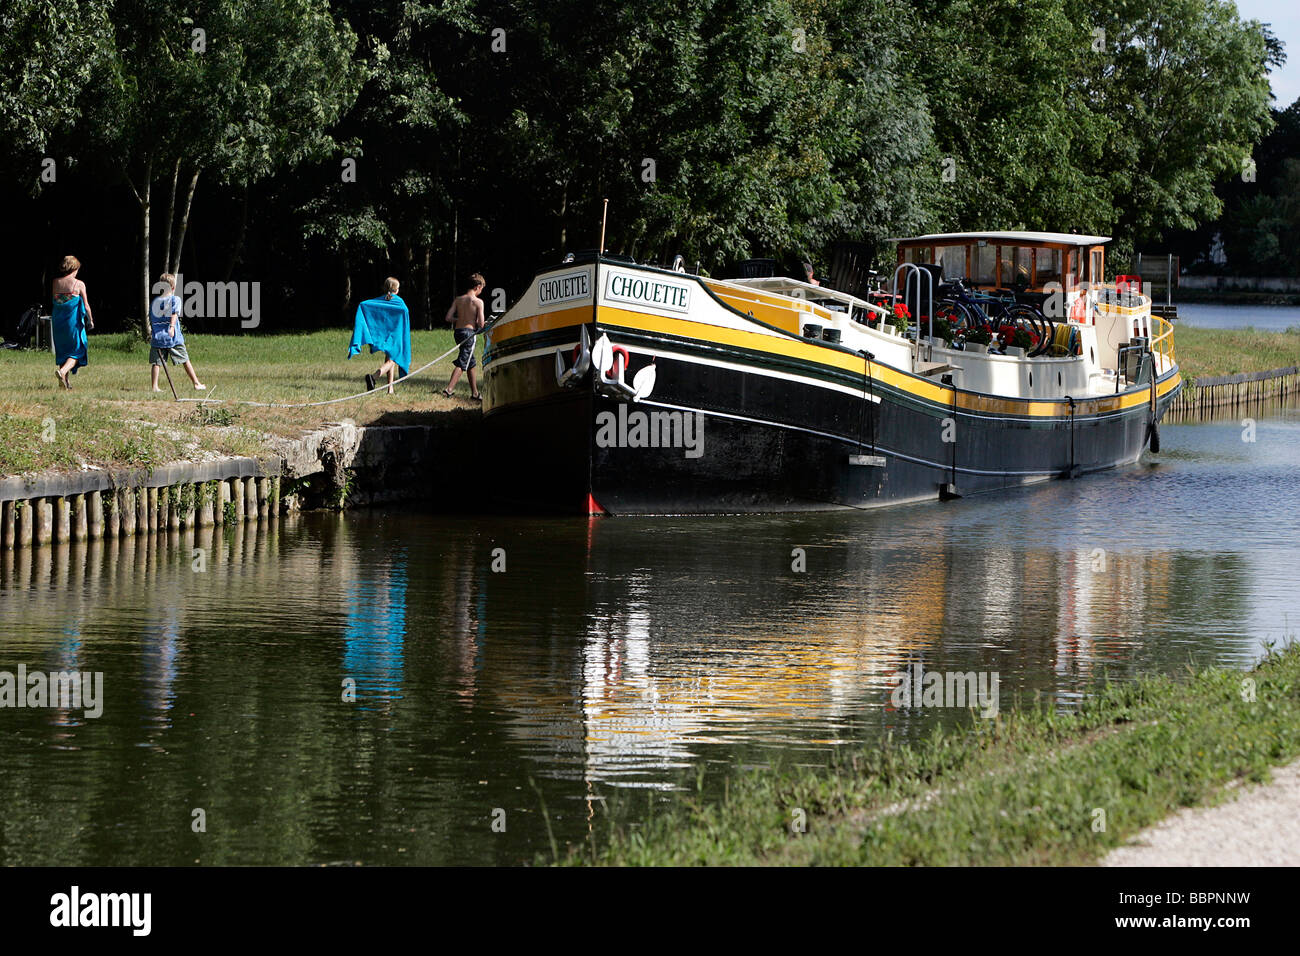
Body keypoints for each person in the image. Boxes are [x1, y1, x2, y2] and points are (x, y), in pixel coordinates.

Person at [349, 277, 411, 395]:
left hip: (385, 336)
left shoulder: (381, 300)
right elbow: (404, 312)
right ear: (396, 290)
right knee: (395, 358)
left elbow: (366, 305)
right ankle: (374, 376)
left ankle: (390, 389)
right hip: (394, 335)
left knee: (389, 358)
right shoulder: (399, 302)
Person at [149, 273, 206, 391]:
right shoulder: (175, 299)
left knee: (156, 363)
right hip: (173, 338)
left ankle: (154, 386)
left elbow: (152, 318)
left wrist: (153, 333)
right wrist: (172, 327)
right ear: (173, 288)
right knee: (185, 359)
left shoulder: (155, 301)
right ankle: (196, 383)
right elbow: (174, 314)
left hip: (158, 338)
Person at [50, 255, 92, 389]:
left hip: (57, 323)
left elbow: (59, 301)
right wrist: (90, 320)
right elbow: (86, 306)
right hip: (72, 323)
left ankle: (65, 383)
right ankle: (62, 372)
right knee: (77, 350)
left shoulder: (55, 282)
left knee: (63, 351)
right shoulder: (78, 284)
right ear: (74, 268)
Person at [442, 273, 485, 400]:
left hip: (458, 333)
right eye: (481, 289)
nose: (481, 291)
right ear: (478, 286)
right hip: (469, 334)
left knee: (470, 362)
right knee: (463, 362)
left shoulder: (458, 299)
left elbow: (448, 318)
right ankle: (448, 390)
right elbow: (481, 324)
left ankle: (475, 393)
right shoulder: (478, 302)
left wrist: (459, 319)